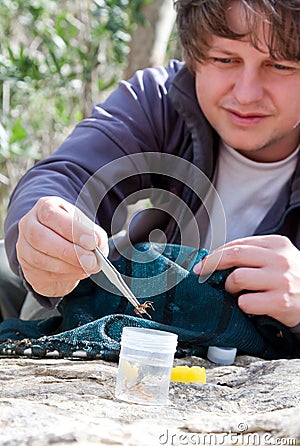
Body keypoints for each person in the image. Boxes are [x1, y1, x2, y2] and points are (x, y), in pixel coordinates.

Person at [1, 0, 300, 341]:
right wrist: (44, 235)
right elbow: (66, 175)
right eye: (225, 59)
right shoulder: (159, 99)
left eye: (280, 65)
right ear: (195, 57)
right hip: (122, 311)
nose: (246, 94)